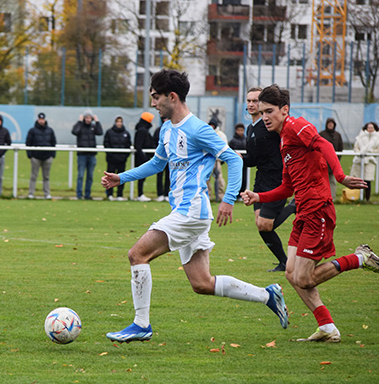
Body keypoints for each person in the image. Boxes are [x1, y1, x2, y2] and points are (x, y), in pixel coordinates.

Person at [101, 69, 289, 344]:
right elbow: (157, 164)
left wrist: (228, 199)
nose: (153, 104)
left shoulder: (198, 129)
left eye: (156, 97)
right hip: (187, 213)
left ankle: (141, 324)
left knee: (136, 255)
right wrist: (121, 178)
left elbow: (233, 160)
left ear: (172, 97)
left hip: (191, 212)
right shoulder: (167, 129)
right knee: (202, 284)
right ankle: (267, 295)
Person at [241, 84, 379, 343]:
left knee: (304, 277)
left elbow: (324, 144)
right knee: (291, 273)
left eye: (269, 111)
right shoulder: (284, 140)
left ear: (284, 110)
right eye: (262, 111)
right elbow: (288, 186)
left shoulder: (296, 126)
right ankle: (327, 327)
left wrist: (340, 176)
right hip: (303, 210)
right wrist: (258, 197)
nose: (264, 117)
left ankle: (360, 258)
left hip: (318, 208)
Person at [243, 87, 294, 272]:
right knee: (260, 224)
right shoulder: (251, 129)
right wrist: (238, 158)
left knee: (265, 224)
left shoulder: (272, 126)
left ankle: (293, 207)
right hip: (261, 179)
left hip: (277, 179)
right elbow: (253, 160)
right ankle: (284, 262)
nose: (251, 104)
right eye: (248, 100)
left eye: (255, 101)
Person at [350, 122, 379, 201]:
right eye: (368, 128)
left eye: (371, 128)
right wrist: (359, 153)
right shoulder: (360, 137)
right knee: (357, 180)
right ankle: (355, 197)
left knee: (367, 180)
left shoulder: (378, 138)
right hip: (359, 160)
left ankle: (367, 198)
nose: (370, 129)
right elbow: (356, 147)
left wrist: (370, 152)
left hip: (370, 161)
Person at [72, 110, 103, 200]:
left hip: (91, 155)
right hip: (82, 155)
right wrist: (79, 121)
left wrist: (97, 121)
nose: (88, 120)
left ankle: (87, 194)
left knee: (90, 176)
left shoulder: (93, 127)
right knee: (81, 175)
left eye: (90, 118)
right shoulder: (80, 126)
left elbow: (100, 132)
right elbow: (75, 131)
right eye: (86, 118)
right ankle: (79, 194)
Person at [26, 112, 57, 199]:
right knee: (33, 176)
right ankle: (31, 193)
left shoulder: (50, 131)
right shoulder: (32, 131)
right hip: (36, 157)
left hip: (47, 157)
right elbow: (28, 143)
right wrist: (30, 155)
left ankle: (47, 194)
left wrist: (52, 155)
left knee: (46, 177)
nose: (41, 121)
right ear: (38, 119)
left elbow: (53, 143)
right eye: (40, 119)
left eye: (42, 119)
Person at [103, 116, 131, 201]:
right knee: (110, 177)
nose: (119, 123)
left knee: (121, 177)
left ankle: (120, 194)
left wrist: (124, 156)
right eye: (118, 122)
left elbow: (128, 145)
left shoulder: (126, 133)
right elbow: (106, 144)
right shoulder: (109, 132)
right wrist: (111, 155)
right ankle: (109, 194)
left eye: (120, 122)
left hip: (122, 160)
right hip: (112, 159)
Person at [134, 111, 156, 202]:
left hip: (143, 157)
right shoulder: (142, 131)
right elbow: (138, 145)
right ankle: (140, 194)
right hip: (142, 158)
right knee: (141, 177)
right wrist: (144, 157)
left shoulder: (143, 130)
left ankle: (140, 194)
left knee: (142, 177)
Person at [319, 118, 343, 200]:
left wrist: (337, 160)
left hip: (333, 162)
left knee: (332, 180)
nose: (330, 125)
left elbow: (340, 148)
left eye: (332, 124)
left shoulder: (337, 135)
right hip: (323, 161)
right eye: (329, 123)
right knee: (322, 181)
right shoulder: (322, 134)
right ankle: (322, 197)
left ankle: (332, 197)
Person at [208, 118, 227, 202]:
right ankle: (208, 196)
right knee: (206, 179)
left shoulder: (221, 135)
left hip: (217, 160)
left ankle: (220, 196)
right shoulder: (206, 133)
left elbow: (224, 146)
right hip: (208, 159)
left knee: (219, 179)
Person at [153, 118, 170, 202]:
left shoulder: (174, 130)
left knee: (168, 176)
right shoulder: (159, 130)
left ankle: (166, 193)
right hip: (161, 158)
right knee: (159, 175)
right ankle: (159, 194)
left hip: (170, 158)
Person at [229, 123, 247, 198]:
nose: (240, 132)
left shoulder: (246, 140)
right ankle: (235, 194)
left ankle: (242, 193)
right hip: (235, 163)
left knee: (244, 178)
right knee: (236, 178)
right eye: (238, 130)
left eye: (241, 130)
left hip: (245, 162)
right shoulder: (233, 141)